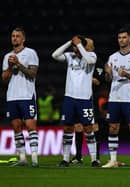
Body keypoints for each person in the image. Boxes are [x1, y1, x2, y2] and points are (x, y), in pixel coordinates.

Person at [51, 35, 98, 167]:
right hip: (70, 98)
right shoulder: (70, 56)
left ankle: (94, 159)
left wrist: (79, 45)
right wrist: (69, 42)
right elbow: (55, 55)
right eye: (74, 46)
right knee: (67, 128)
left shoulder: (91, 55)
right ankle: (65, 159)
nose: (74, 48)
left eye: (76, 45)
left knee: (88, 128)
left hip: (85, 98)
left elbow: (89, 60)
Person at [102, 27, 130, 168]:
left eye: (124, 37)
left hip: (129, 97)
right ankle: (113, 160)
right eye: (119, 38)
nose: (121, 40)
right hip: (114, 97)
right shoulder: (112, 57)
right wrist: (107, 72)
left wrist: (126, 74)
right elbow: (108, 79)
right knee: (113, 128)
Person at [1, 27, 39, 167]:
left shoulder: (30, 53)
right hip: (12, 96)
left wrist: (18, 64)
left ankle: (34, 158)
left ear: (23, 39)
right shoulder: (7, 56)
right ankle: (22, 158)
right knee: (16, 126)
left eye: (17, 36)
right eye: (13, 36)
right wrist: (10, 67)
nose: (14, 38)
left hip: (27, 95)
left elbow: (33, 73)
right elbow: (4, 78)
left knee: (30, 125)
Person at [70, 38, 106, 167]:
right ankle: (78, 156)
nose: (86, 47)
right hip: (78, 96)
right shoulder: (79, 58)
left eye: (89, 45)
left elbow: (99, 81)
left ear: (92, 46)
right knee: (78, 126)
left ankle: (96, 157)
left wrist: (85, 78)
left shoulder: (97, 60)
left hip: (91, 96)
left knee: (93, 126)